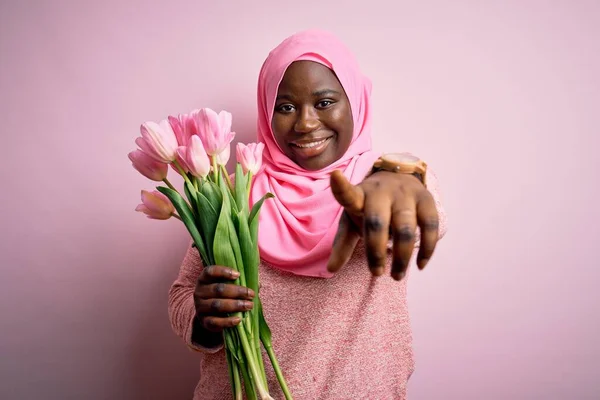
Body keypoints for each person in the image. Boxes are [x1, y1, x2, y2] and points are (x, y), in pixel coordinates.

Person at [168, 29, 447, 399]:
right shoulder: (233, 191)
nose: (305, 123)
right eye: (285, 107)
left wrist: (401, 180)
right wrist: (204, 317)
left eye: (325, 102)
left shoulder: (384, 180)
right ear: (267, 113)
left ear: (356, 102)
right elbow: (182, 294)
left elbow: (418, 214)